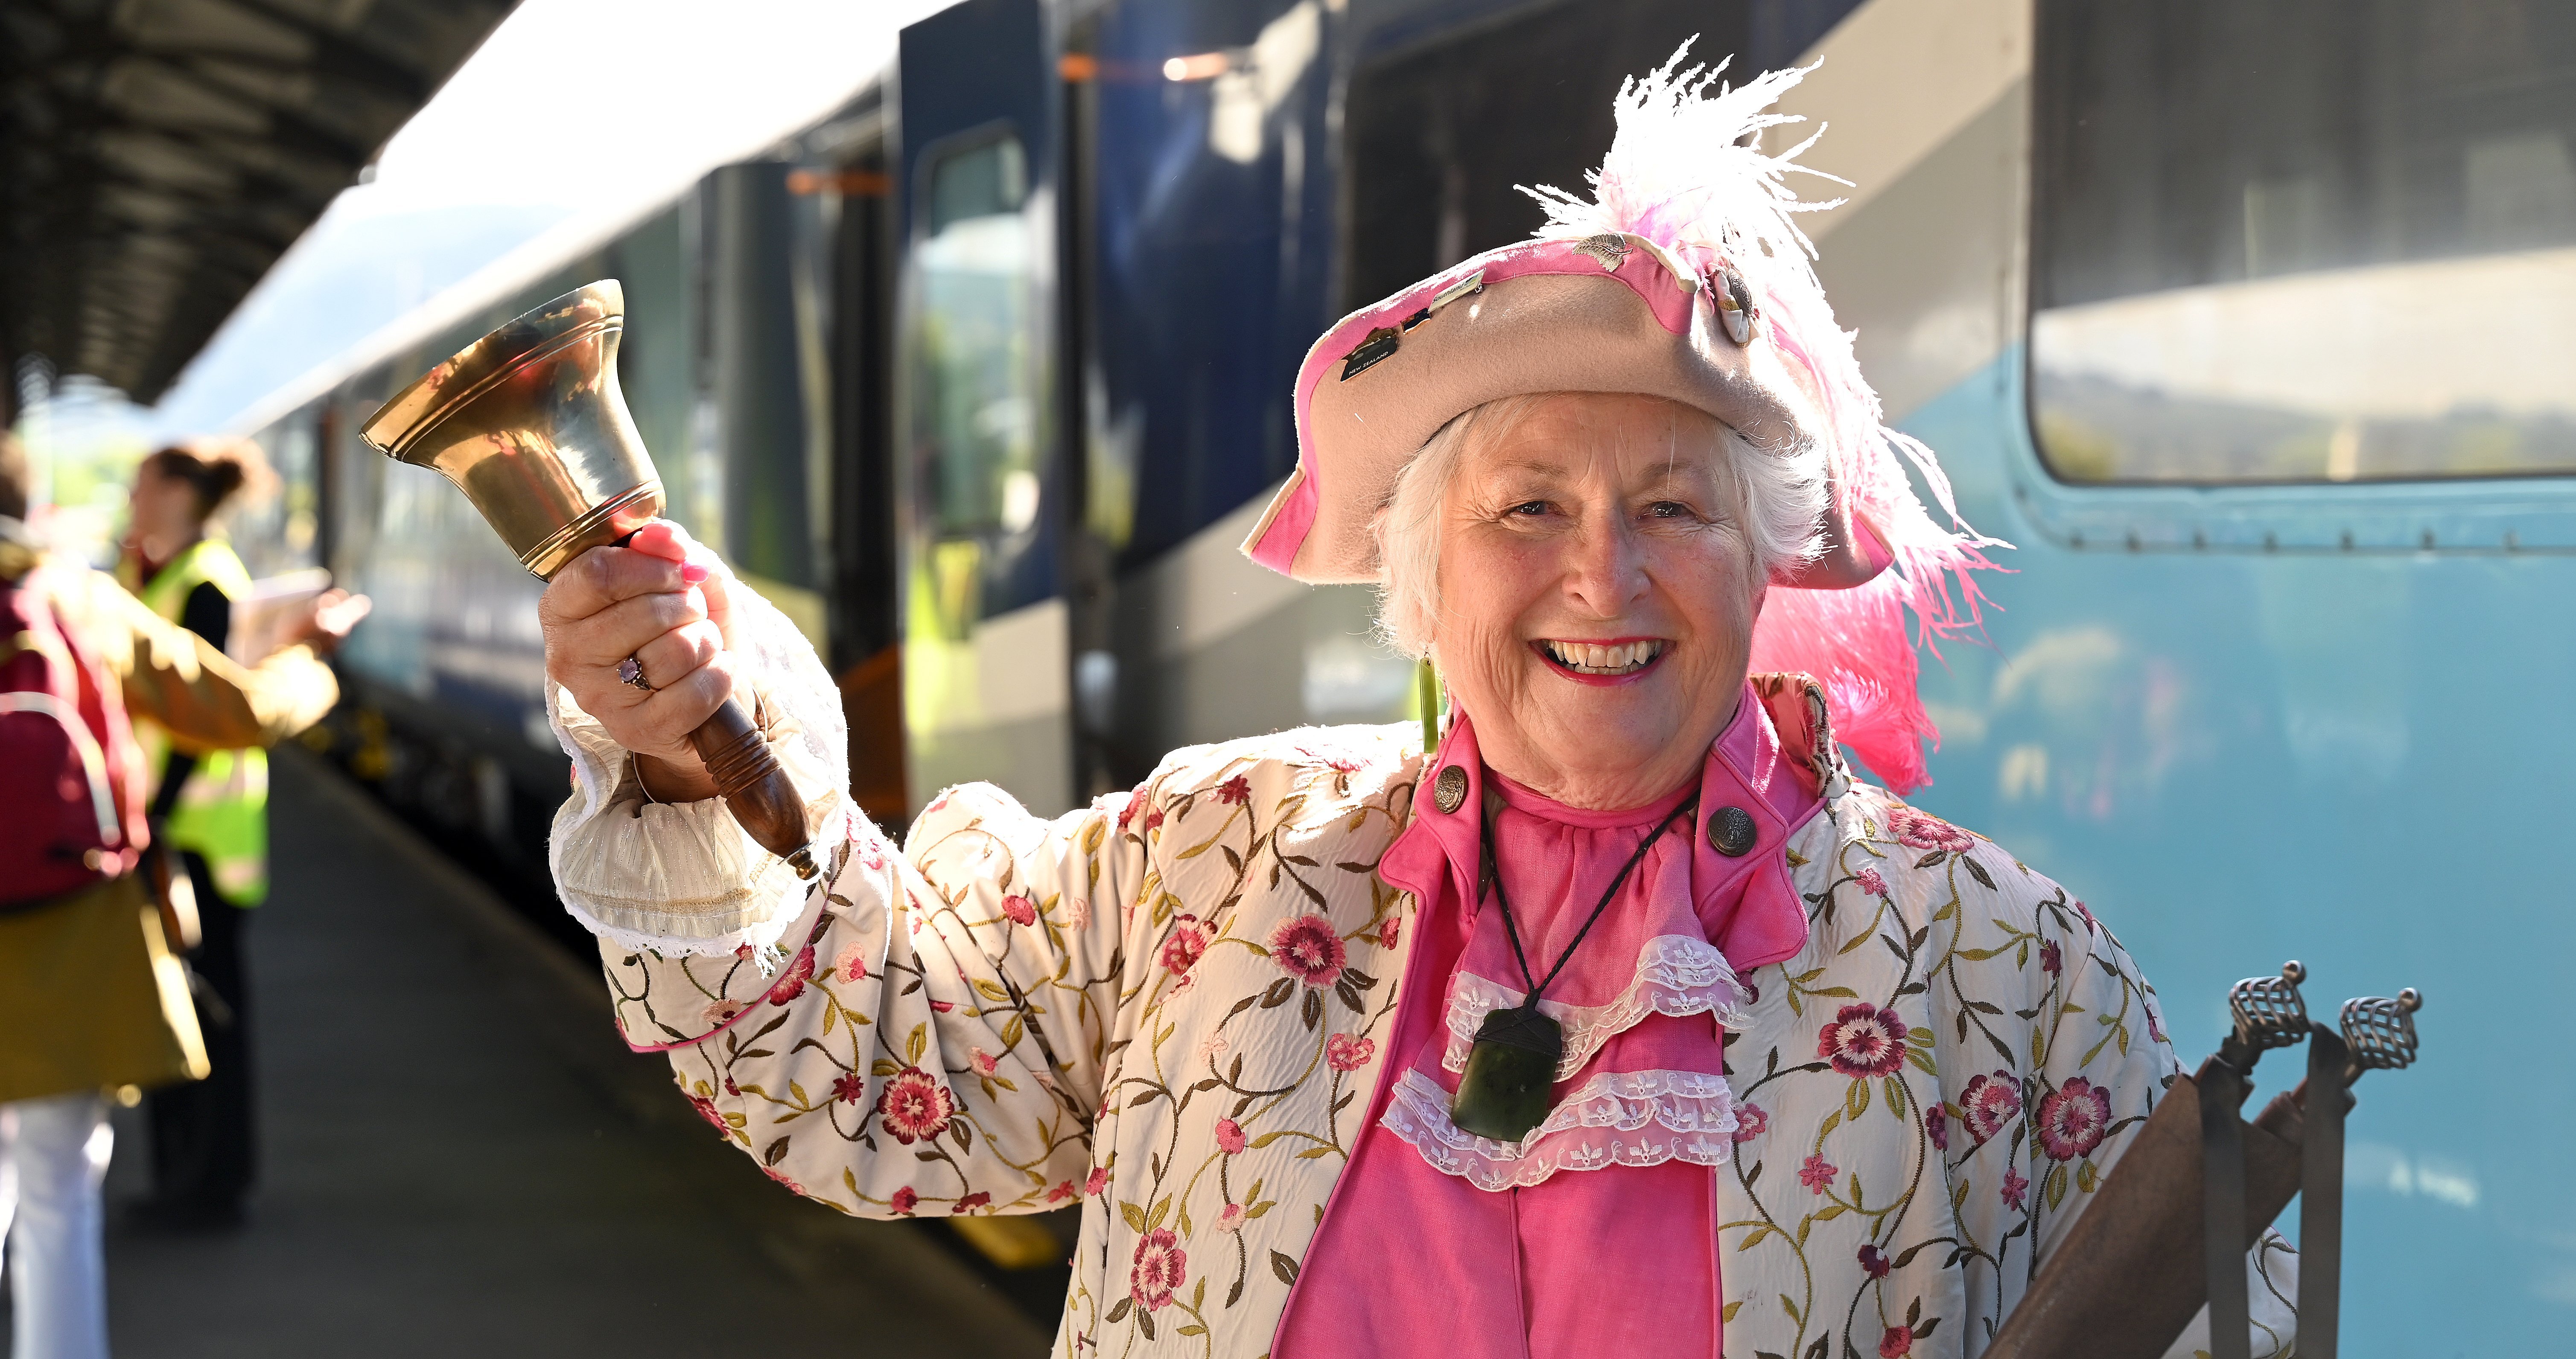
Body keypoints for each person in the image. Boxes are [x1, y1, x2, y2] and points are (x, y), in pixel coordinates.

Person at [533, 56, 2297, 1359]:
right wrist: (701, 746)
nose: (1604, 580)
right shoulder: (1210, 864)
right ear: (1423, 573)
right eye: (1528, 508)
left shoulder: (1995, 963)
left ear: (1762, 566)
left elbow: (2230, 1319)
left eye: (1673, 508)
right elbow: (873, 1065)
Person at [0, 429, 361, 1359]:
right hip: (66, 933)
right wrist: (310, 660)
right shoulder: (80, 600)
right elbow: (239, 709)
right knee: (56, 1197)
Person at [116, 440, 275, 1226]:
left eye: (141, 486)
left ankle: (211, 1189)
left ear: (180, 491)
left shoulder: (207, 583)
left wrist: (146, 813)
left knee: (207, 1024)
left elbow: (198, 723)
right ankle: (188, 1182)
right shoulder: (163, 574)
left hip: (198, 841)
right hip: (174, 835)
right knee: (181, 1016)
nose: (131, 499)